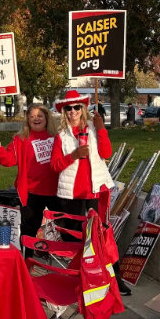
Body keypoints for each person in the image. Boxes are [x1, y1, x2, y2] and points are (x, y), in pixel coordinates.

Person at [50, 91, 131, 296]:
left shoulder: (94, 128)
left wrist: (102, 128)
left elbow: (106, 154)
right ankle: (81, 281)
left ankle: (114, 277)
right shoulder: (61, 136)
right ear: (64, 112)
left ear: (83, 109)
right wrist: (74, 155)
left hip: (96, 191)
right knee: (76, 239)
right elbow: (55, 165)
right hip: (71, 194)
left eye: (77, 107)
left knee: (103, 237)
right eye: (69, 108)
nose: (73, 112)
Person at [0, 104, 60, 258]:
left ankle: (71, 262)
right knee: (29, 229)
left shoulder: (57, 136)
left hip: (57, 190)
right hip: (31, 191)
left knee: (66, 227)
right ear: (27, 119)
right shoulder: (20, 139)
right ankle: (27, 262)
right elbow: (9, 160)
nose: (36, 119)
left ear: (47, 118)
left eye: (40, 116)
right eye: (32, 116)